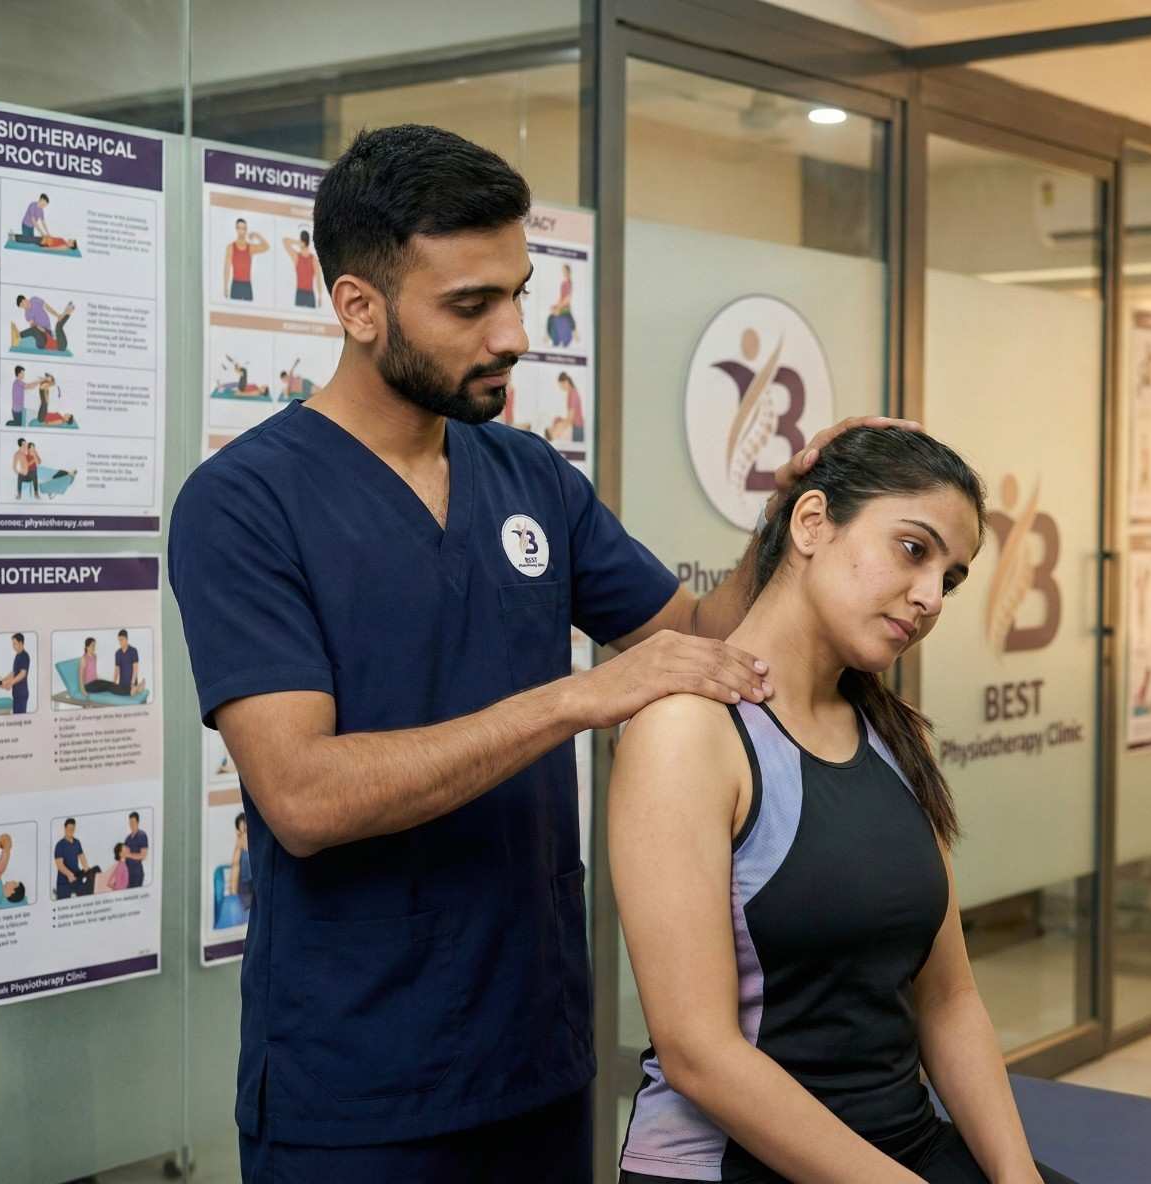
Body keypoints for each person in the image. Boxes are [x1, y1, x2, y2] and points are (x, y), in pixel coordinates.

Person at [168, 122, 909, 1183]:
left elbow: (699, 643)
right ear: (359, 307)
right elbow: (304, 795)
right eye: (470, 305)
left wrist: (792, 507)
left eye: (518, 291)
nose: (514, 332)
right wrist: (575, 698)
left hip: (537, 1056)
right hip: (356, 1084)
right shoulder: (245, 504)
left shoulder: (527, 475)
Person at [611, 428, 1077, 1184]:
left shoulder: (894, 735)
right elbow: (699, 1054)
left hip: (904, 1143)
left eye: (950, 579)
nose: (930, 597)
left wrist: (1016, 1177)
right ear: (811, 524)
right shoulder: (687, 732)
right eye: (913, 549)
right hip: (739, 1164)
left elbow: (949, 999)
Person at [224, 218, 269, 301]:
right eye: (239, 228)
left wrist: (257, 235)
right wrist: (225, 287)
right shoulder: (230, 247)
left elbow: (266, 247)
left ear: (246, 230)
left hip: (247, 286)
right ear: (236, 229)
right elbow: (227, 268)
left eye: (243, 228)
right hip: (235, 285)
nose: (241, 231)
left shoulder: (250, 248)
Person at [284, 230, 324, 308]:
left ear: (301, 240)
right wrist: (320, 296)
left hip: (307, 294)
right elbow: (285, 241)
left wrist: (320, 296)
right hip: (302, 293)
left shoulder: (311, 259)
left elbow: (318, 279)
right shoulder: (298, 256)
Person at [54, 818, 90, 900]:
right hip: (64, 881)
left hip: (77, 876)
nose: (71, 830)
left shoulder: (77, 842)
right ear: (65, 828)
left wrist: (87, 869)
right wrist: (69, 875)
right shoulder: (59, 845)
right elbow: (59, 865)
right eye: (69, 828)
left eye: (73, 829)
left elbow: (82, 858)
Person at [545, 370, 585, 443]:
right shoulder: (571, 393)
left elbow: (570, 419)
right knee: (557, 421)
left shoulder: (573, 394)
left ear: (566, 382)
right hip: (576, 427)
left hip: (577, 429)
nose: (561, 388)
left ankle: (553, 436)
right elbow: (570, 418)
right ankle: (553, 435)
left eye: (561, 385)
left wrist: (558, 426)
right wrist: (560, 421)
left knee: (558, 424)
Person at [229, 812, 253, 913]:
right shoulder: (240, 845)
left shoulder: (256, 843)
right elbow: (235, 867)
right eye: (243, 831)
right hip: (244, 887)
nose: (246, 835)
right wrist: (233, 890)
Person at [113, 630, 144, 697]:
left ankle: (136, 687)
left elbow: (135, 669)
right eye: (119, 640)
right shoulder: (117, 653)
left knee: (131, 691)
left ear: (127, 639)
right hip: (122, 684)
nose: (120, 642)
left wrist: (132, 684)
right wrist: (114, 683)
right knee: (122, 691)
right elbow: (116, 670)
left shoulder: (133, 651)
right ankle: (138, 688)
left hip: (132, 683)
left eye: (122, 640)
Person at [123, 811, 149, 889]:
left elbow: (143, 856)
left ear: (138, 822)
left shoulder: (142, 835)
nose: (131, 824)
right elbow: (124, 855)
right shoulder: (127, 838)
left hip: (137, 874)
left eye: (133, 822)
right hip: (128, 873)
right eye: (130, 822)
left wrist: (129, 855)